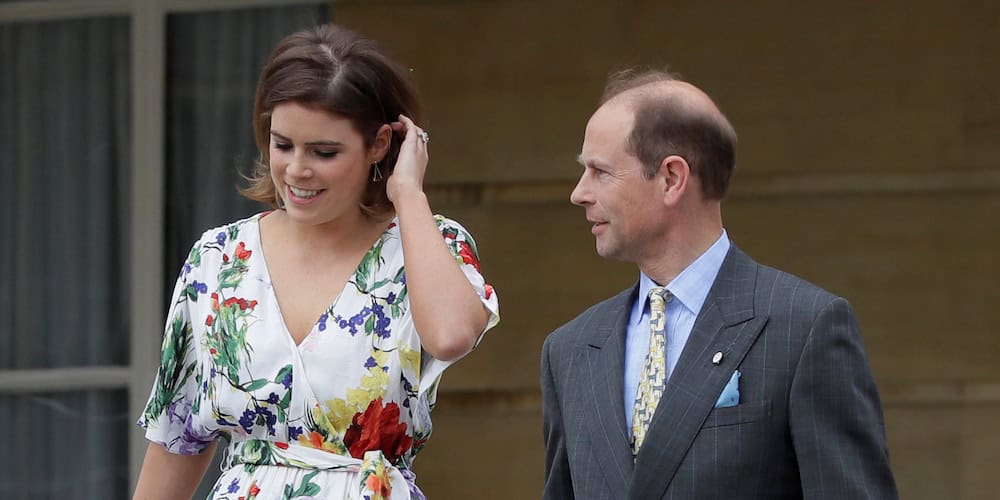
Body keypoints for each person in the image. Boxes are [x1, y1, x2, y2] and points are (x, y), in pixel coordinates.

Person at [133, 24, 499, 500]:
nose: (297, 169)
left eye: (324, 152)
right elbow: (176, 434)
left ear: (380, 145)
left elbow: (451, 337)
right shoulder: (218, 259)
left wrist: (408, 191)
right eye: (282, 144)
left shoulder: (430, 242)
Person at [540, 69, 897, 499]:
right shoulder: (569, 350)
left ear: (672, 178)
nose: (579, 193)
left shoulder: (805, 328)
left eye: (600, 172)